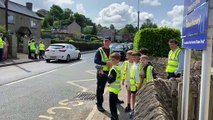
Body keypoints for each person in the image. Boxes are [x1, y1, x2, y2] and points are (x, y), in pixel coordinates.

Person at [99, 52, 122, 120]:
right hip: (116, 89)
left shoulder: (114, 69)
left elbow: (110, 80)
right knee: (113, 104)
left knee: (112, 106)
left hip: (113, 90)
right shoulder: (118, 67)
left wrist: (103, 74)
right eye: (111, 59)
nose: (112, 61)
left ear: (118, 60)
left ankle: (114, 117)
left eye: (113, 60)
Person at [94, 36, 113, 112]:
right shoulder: (99, 50)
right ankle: (99, 104)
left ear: (110, 42)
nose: (106, 42)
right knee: (100, 89)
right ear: (103, 42)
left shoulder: (111, 50)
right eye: (105, 41)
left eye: (108, 41)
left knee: (113, 85)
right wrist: (106, 63)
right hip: (101, 72)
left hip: (110, 71)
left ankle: (116, 99)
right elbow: (96, 61)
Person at [129, 51, 143, 118]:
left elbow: (142, 77)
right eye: (133, 56)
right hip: (133, 85)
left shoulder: (141, 65)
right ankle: (133, 110)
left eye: (135, 56)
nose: (133, 58)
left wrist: (140, 85)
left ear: (139, 57)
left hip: (139, 85)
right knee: (133, 96)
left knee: (139, 98)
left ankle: (138, 111)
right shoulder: (133, 64)